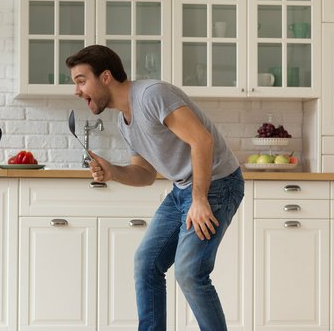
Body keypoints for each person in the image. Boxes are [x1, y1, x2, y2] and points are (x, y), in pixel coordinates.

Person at [66, 45, 244, 331]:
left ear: (106, 77)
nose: (77, 91)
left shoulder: (152, 95)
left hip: (217, 184)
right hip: (182, 190)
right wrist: (113, 171)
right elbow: (144, 173)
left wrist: (199, 199)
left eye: (81, 80)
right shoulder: (125, 121)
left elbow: (202, 141)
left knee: (189, 273)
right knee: (146, 263)